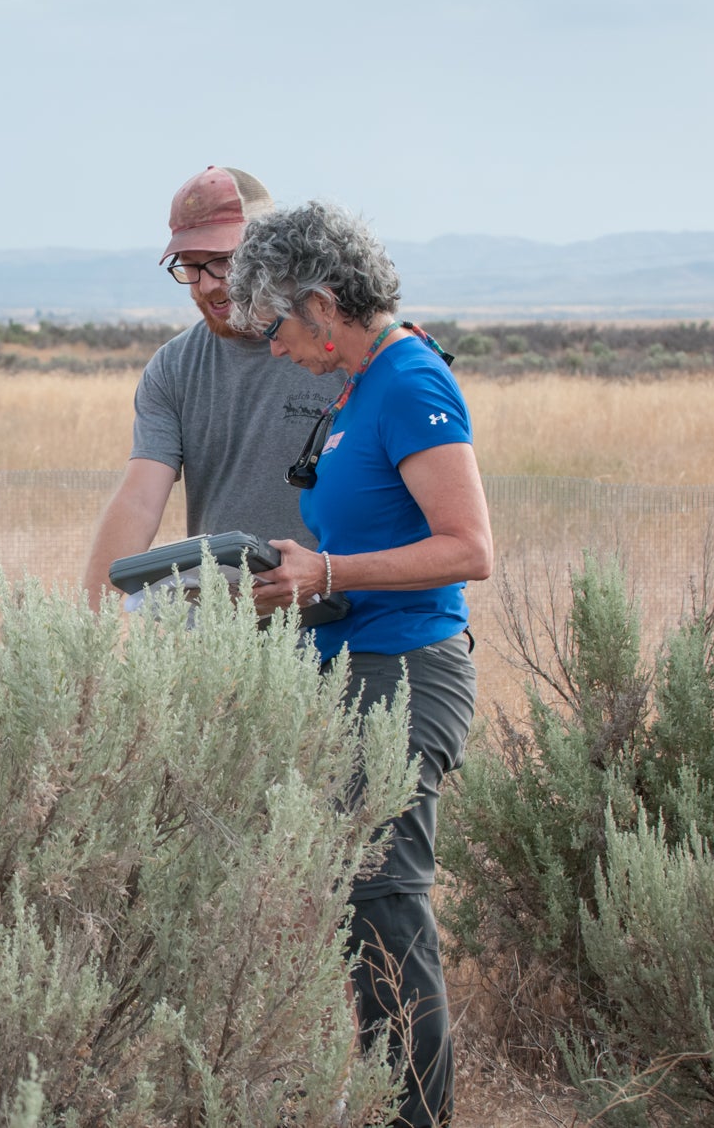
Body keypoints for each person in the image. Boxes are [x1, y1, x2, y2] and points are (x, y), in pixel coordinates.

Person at [229, 200, 492, 1128]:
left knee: (387, 906)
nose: (273, 348)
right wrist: (291, 573)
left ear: (321, 303)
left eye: (275, 325)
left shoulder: (410, 378)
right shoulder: (359, 384)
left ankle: (415, 1116)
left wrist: (330, 570)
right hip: (357, 663)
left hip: (409, 671)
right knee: (359, 905)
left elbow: (469, 548)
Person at [79, 167, 343, 608]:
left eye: (223, 261)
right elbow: (140, 501)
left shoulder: (343, 350)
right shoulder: (174, 367)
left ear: (272, 250)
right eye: (190, 266)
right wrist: (90, 626)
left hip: (346, 624)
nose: (208, 285)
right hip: (227, 632)